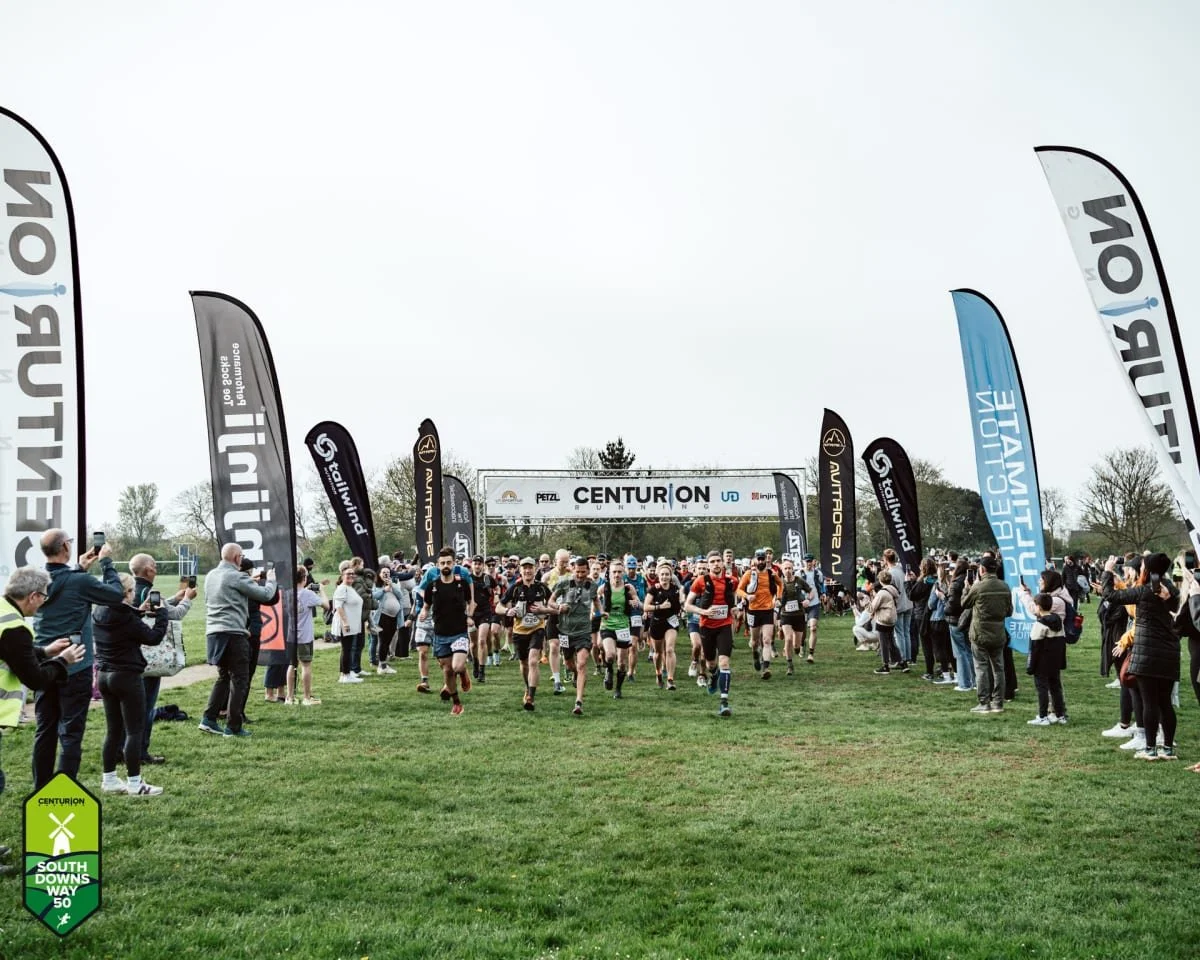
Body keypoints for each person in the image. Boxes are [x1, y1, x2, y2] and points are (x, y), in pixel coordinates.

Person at [0, 569, 84, 876]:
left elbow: (13, 652)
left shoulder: (3, 612)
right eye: (42, 598)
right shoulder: (15, 627)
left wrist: (45, 651)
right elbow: (35, 678)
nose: (42, 605)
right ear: (33, 596)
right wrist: (62, 662)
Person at [32, 529, 125, 790]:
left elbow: (64, 587)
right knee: (71, 733)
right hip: (76, 664)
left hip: (45, 662)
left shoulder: (37, 579)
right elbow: (116, 595)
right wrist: (106, 562)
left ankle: (41, 789)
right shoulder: (78, 581)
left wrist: (79, 568)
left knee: (45, 730)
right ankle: (64, 791)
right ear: (64, 547)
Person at [93, 573, 170, 796]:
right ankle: (135, 783)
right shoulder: (126, 617)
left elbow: (122, 614)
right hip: (126, 676)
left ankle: (109, 779)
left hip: (105, 675)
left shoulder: (99, 612)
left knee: (113, 731)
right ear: (126, 593)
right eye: (132, 591)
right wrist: (162, 614)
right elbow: (153, 637)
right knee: (134, 731)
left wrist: (139, 609)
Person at [1102, 553, 1180, 760]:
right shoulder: (1171, 591)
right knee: (1165, 702)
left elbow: (1111, 596)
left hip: (1146, 652)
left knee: (1149, 702)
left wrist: (1108, 572)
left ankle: (1150, 749)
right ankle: (1169, 748)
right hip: (1169, 652)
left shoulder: (1144, 592)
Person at [199, 544, 279, 738]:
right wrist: (271, 580)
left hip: (214, 632)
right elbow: (266, 595)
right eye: (241, 556)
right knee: (240, 679)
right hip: (233, 633)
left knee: (224, 676)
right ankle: (233, 726)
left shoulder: (211, 575)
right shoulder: (237, 576)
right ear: (236, 558)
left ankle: (209, 718)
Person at [128, 554, 195, 767]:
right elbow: (173, 615)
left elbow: (160, 607)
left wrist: (174, 597)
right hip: (151, 658)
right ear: (147, 570)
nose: (156, 569)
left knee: (128, 708)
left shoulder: (130, 591)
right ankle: (141, 751)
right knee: (147, 707)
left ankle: (123, 748)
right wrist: (187, 599)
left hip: (129, 657)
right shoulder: (151, 592)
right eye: (154, 566)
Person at [419, 547, 474, 716]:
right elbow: (427, 605)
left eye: (448, 562)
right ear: (437, 565)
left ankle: (463, 672)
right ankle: (456, 703)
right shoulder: (432, 586)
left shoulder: (461, 583)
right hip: (441, 634)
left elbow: (471, 602)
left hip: (459, 632)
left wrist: (469, 616)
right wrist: (423, 612)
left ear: (454, 563)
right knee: (448, 670)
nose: (445, 566)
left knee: (457, 666)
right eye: (442, 563)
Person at [684, 551, 738, 717]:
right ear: (708, 565)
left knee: (724, 663)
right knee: (710, 664)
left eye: (718, 561)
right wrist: (704, 611)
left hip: (724, 625)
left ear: (723, 563)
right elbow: (687, 605)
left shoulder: (731, 581)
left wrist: (734, 608)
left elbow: (732, 599)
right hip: (707, 627)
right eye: (712, 561)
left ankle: (724, 702)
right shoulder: (700, 581)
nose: (716, 564)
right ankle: (714, 676)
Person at [961, 555, 1012, 715]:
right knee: (999, 668)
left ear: (982, 570)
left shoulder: (979, 587)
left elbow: (964, 603)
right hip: (998, 633)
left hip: (980, 633)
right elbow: (1009, 611)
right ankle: (998, 702)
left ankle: (984, 702)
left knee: (981, 667)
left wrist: (967, 588)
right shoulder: (1004, 586)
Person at [551, 556, 601, 715]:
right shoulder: (564, 583)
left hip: (584, 631)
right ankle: (574, 675)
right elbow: (550, 602)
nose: (580, 575)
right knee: (569, 663)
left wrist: (598, 612)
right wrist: (559, 606)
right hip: (565, 631)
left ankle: (578, 701)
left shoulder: (592, 585)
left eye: (583, 572)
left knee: (582, 663)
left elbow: (596, 601)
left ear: (588, 570)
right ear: (573, 569)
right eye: (578, 572)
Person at [597, 560, 642, 701]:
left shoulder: (629, 588)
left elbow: (640, 604)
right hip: (607, 625)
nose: (616, 575)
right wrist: (599, 613)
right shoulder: (603, 588)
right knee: (610, 655)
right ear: (609, 573)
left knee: (622, 663)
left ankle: (618, 689)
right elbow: (595, 605)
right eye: (614, 572)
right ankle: (609, 672)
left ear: (623, 573)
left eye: (619, 572)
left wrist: (636, 603)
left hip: (623, 626)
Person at [287, 566, 329, 706]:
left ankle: (290, 697)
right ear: (304, 578)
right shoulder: (308, 594)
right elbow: (326, 606)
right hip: (304, 635)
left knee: (292, 664)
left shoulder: (287, 593)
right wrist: (322, 590)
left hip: (290, 635)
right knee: (306, 665)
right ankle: (306, 697)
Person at [738, 549, 782, 679]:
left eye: (763, 559)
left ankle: (765, 668)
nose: (761, 561)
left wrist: (778, 598)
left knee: (767, 640)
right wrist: (746, 596)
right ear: (755, 560)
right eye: (759, 559)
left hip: (768, 610)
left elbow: (780, 584)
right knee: (755, 641)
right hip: (754, 611)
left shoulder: (771, 573)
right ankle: (755, 655)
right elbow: (738, 590)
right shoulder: (748, 574)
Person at [1025, 593, 1068, 726]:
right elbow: (1062, 643)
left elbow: (1034, 647)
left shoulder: (1039, 624)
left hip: (1041, 663)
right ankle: (1060, 715)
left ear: (1038, 607)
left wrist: (1031, 666)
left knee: (1042, 689)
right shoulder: (1058, 621)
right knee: (1056, 687)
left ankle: (1043, 716)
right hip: (1054, 661)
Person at [645, 561, 681, 689]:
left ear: (671, 576)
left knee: (670, 649)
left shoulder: (675, 589)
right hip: (657, 622)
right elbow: (645, 607)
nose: (665, 577)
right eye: (662, 574)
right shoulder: (654, 589)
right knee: (658, 653)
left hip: (671, 622)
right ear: (658, 575)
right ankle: (658, 673)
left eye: (667, 574)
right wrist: (660, 606)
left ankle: (670, 679)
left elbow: (679, 603)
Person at [332, 563, 365, 684]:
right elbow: (339, 607)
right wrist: (345, 622)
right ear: (342, 576)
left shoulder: (350, 588)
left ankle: (347, 672)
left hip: (353, 623)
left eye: (352, 573)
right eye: (348, 574)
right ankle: (345, 675)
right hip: (345, 624)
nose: (351, 575)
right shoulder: (341, 588)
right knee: (346, 649)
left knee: (349, 648)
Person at [944, 558, 974, 692]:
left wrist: (944, 604)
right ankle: (974, 680)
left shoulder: (955, 584)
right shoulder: (971, 581)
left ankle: (964, 683)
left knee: (960, 652)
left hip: (956, 620)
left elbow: (952, 605)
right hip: (968, 619)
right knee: (968, 651)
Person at [882, 549, 914, 666]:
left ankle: (902, 658)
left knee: (900, 633)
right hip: (908, 603)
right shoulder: (902, 569)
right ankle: (908, 656)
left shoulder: (890, 573)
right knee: (906, 632)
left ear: (885, 559)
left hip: (899, 604)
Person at [372, 568, 403, 675]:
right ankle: (381, 665)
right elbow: (374, 596)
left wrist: (392, 586)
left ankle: (383, 664)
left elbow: (400, 595)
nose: (386, 574)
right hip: (382, 617)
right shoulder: (376, 586)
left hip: (394, 617)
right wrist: (384, 589)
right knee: (383, 640)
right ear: (379, 574)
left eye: (388, 573)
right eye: (384, 573)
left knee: (388, 640)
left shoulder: (394, 585)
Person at [869, 571, 901, 674]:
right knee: (891, 642)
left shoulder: (882, 593)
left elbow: (872, 607)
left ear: (880, 580)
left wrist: (867, 599)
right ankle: (901, 662)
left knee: (883, 643)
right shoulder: (893, 589)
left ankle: (885, 665)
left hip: (883, 619)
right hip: (892, 618)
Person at [801, 554, 824, 663]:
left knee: (813, 628)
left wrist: (823, 593)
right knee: (802, 630)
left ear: (813, 562)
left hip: (814, 604)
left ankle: (811, 654)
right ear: (803, 562)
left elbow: (821, 584)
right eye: (807, 561)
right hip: (802, 604)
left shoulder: (818, 573)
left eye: (810, 561)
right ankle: (801, 645)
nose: (809, 563)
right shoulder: (798, 573)